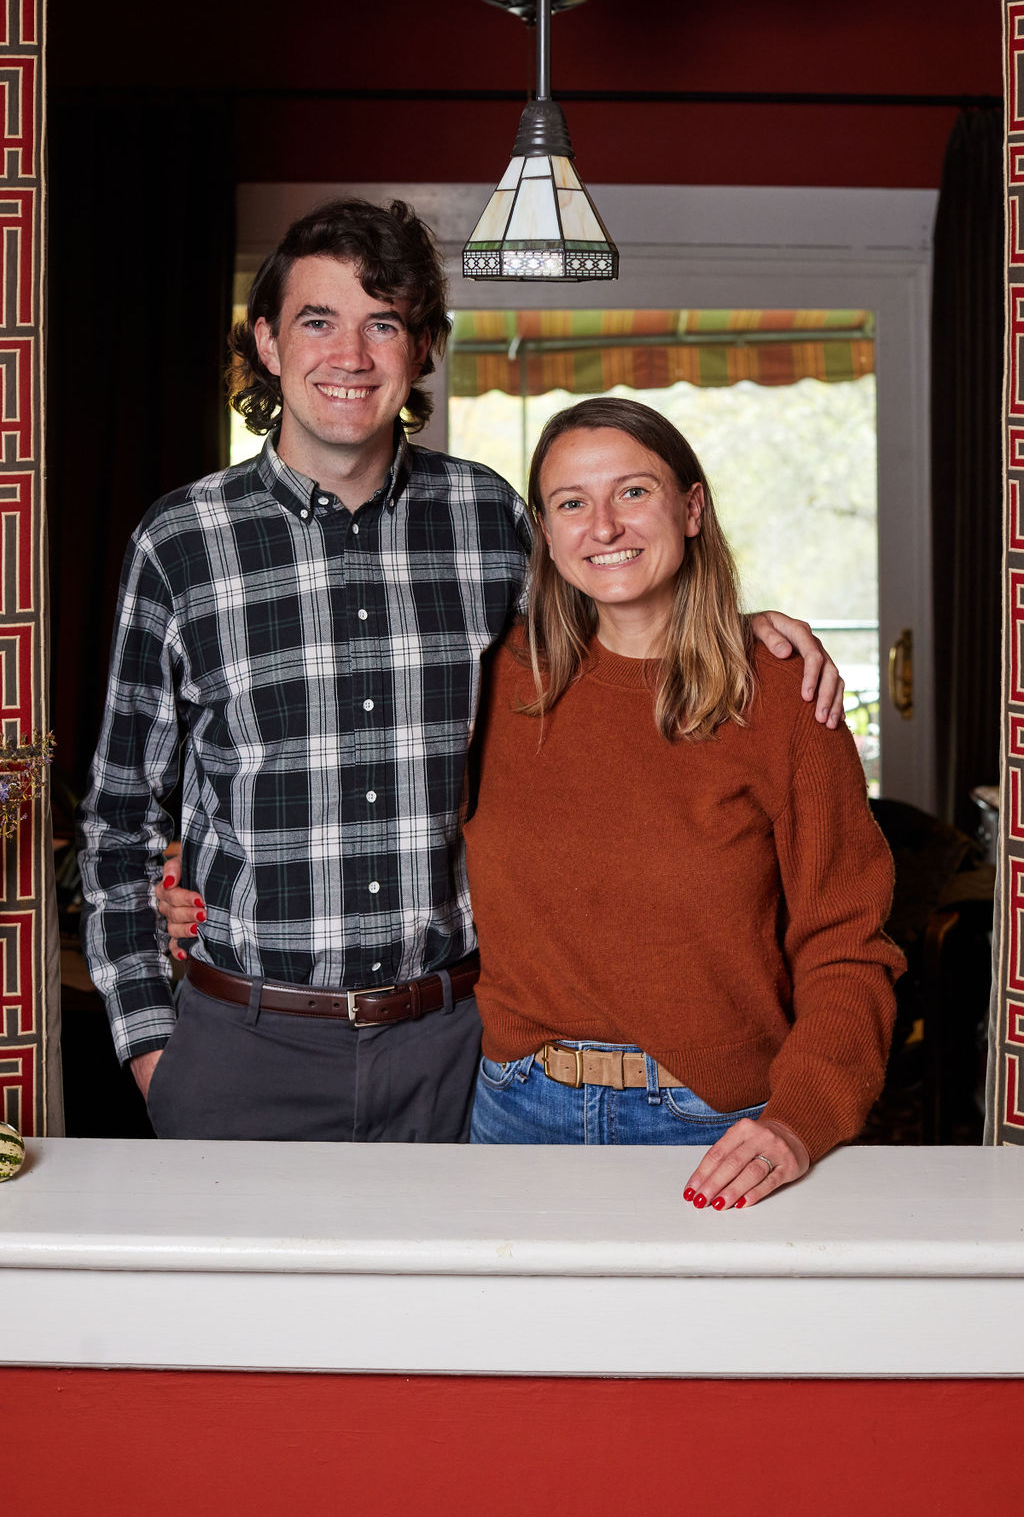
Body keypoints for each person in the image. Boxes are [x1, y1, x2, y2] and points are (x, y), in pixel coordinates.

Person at [82, 195, 844, 1144]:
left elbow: (613, 633)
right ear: (268, 344)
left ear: (420, 350)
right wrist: (152, 1047)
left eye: (383, 323)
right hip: (243, 1044)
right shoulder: (179, 541)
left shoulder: (490, 520)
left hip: (451, 1050)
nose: (350, 354)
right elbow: (119, 822)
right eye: (318, 321)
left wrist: (734, 627)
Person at [461, 398, 904, 1204]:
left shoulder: (782, 694)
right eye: (572, 503)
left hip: (716, 1124)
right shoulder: (492, 679)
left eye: (633, 491)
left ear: (692, 508)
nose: (604, 525)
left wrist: (801, 1118)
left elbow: (847, 945)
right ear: (546, 533)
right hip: (516, 1110)